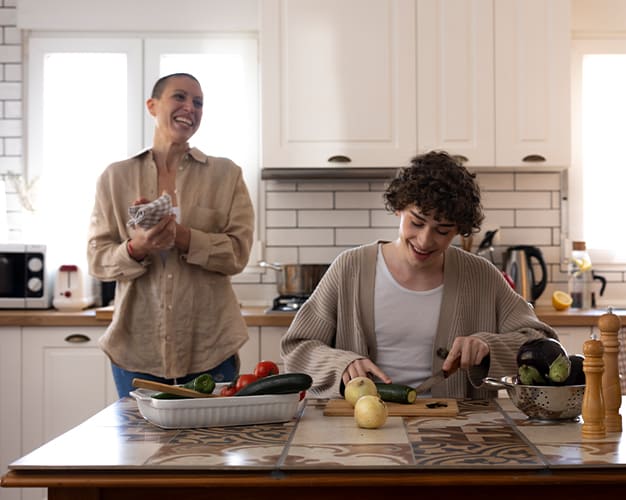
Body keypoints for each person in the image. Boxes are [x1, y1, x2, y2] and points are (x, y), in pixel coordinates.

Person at [281, 150, 559, 399]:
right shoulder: (349, 268)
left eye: (442, 230)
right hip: (360, 430)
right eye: (417, 222)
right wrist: (340, 364)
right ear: (399, 207)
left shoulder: (481, 276)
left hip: (456, 433)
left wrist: (489, 346)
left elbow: (543, 344)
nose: (425, 240)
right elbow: (297, 349)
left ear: (459, 230)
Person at [87, 73, 255, 398]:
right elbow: (97, 258)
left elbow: (238, 253)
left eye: (198, 102)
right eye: (179, 97)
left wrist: (181, 236)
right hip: (135, 350)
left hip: (211, 347)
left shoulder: (227, 175)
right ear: (152, 106)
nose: (190, 108)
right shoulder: (115, 178)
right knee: (140, 448)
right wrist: (137, 247)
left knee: (210, 448)